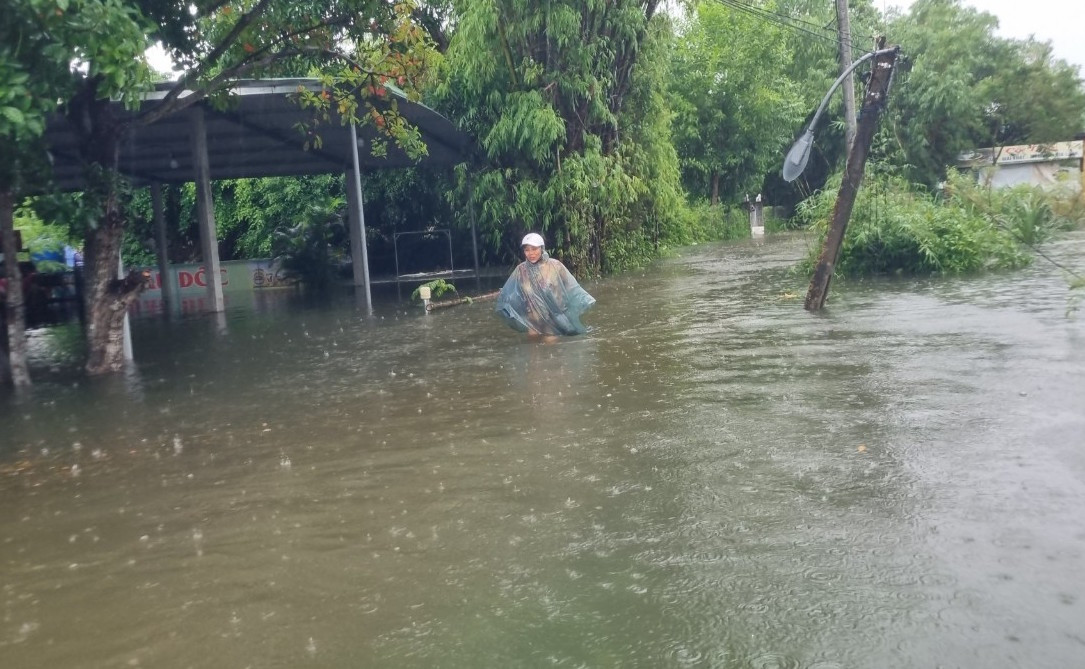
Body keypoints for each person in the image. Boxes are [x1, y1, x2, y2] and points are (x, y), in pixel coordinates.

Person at [495, 232, 595, 337]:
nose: (531, 253)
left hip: (555, 317)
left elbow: (571, 288)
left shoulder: (555, 266)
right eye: (527, 250)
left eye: (534, 249)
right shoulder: (521, 270)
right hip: (533, 319)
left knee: (551, 345)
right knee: (533, 345)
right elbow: (513, 292)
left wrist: (581, 303)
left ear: (542, 249)